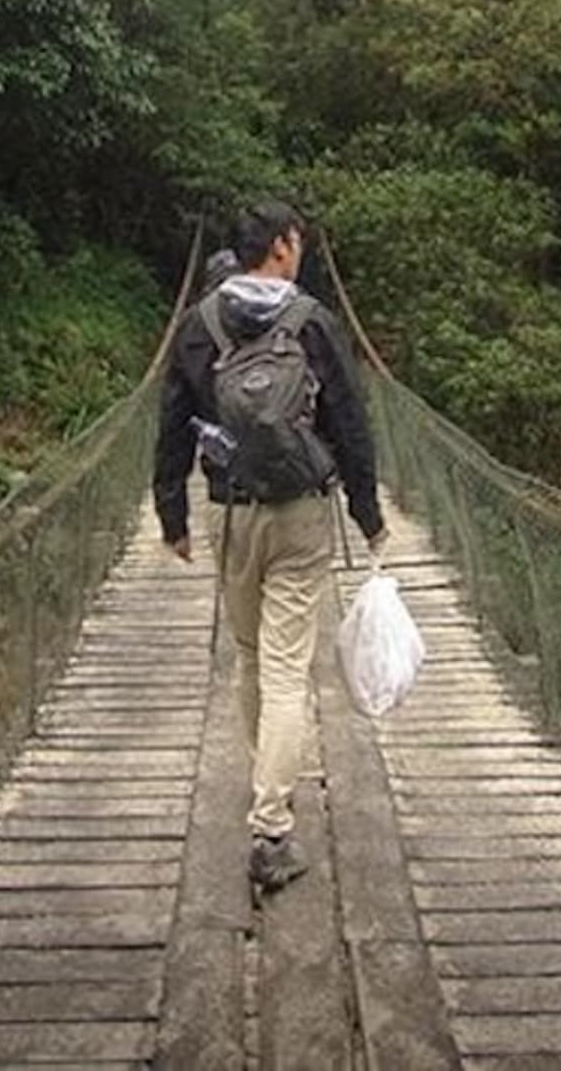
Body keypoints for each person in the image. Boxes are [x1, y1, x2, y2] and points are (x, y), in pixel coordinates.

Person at [154, 201, 385, 889]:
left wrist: (172, 516)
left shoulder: (199, 326)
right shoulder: (312, 321)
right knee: (288, 669)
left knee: (252, 657)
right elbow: (349, 419)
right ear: (281, 247)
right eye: (298, 242)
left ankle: (269, 781)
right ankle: (271, 821)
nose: (301, 252)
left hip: (233, 514)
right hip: (302, 513)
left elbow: (172, 424)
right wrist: (368, 512)